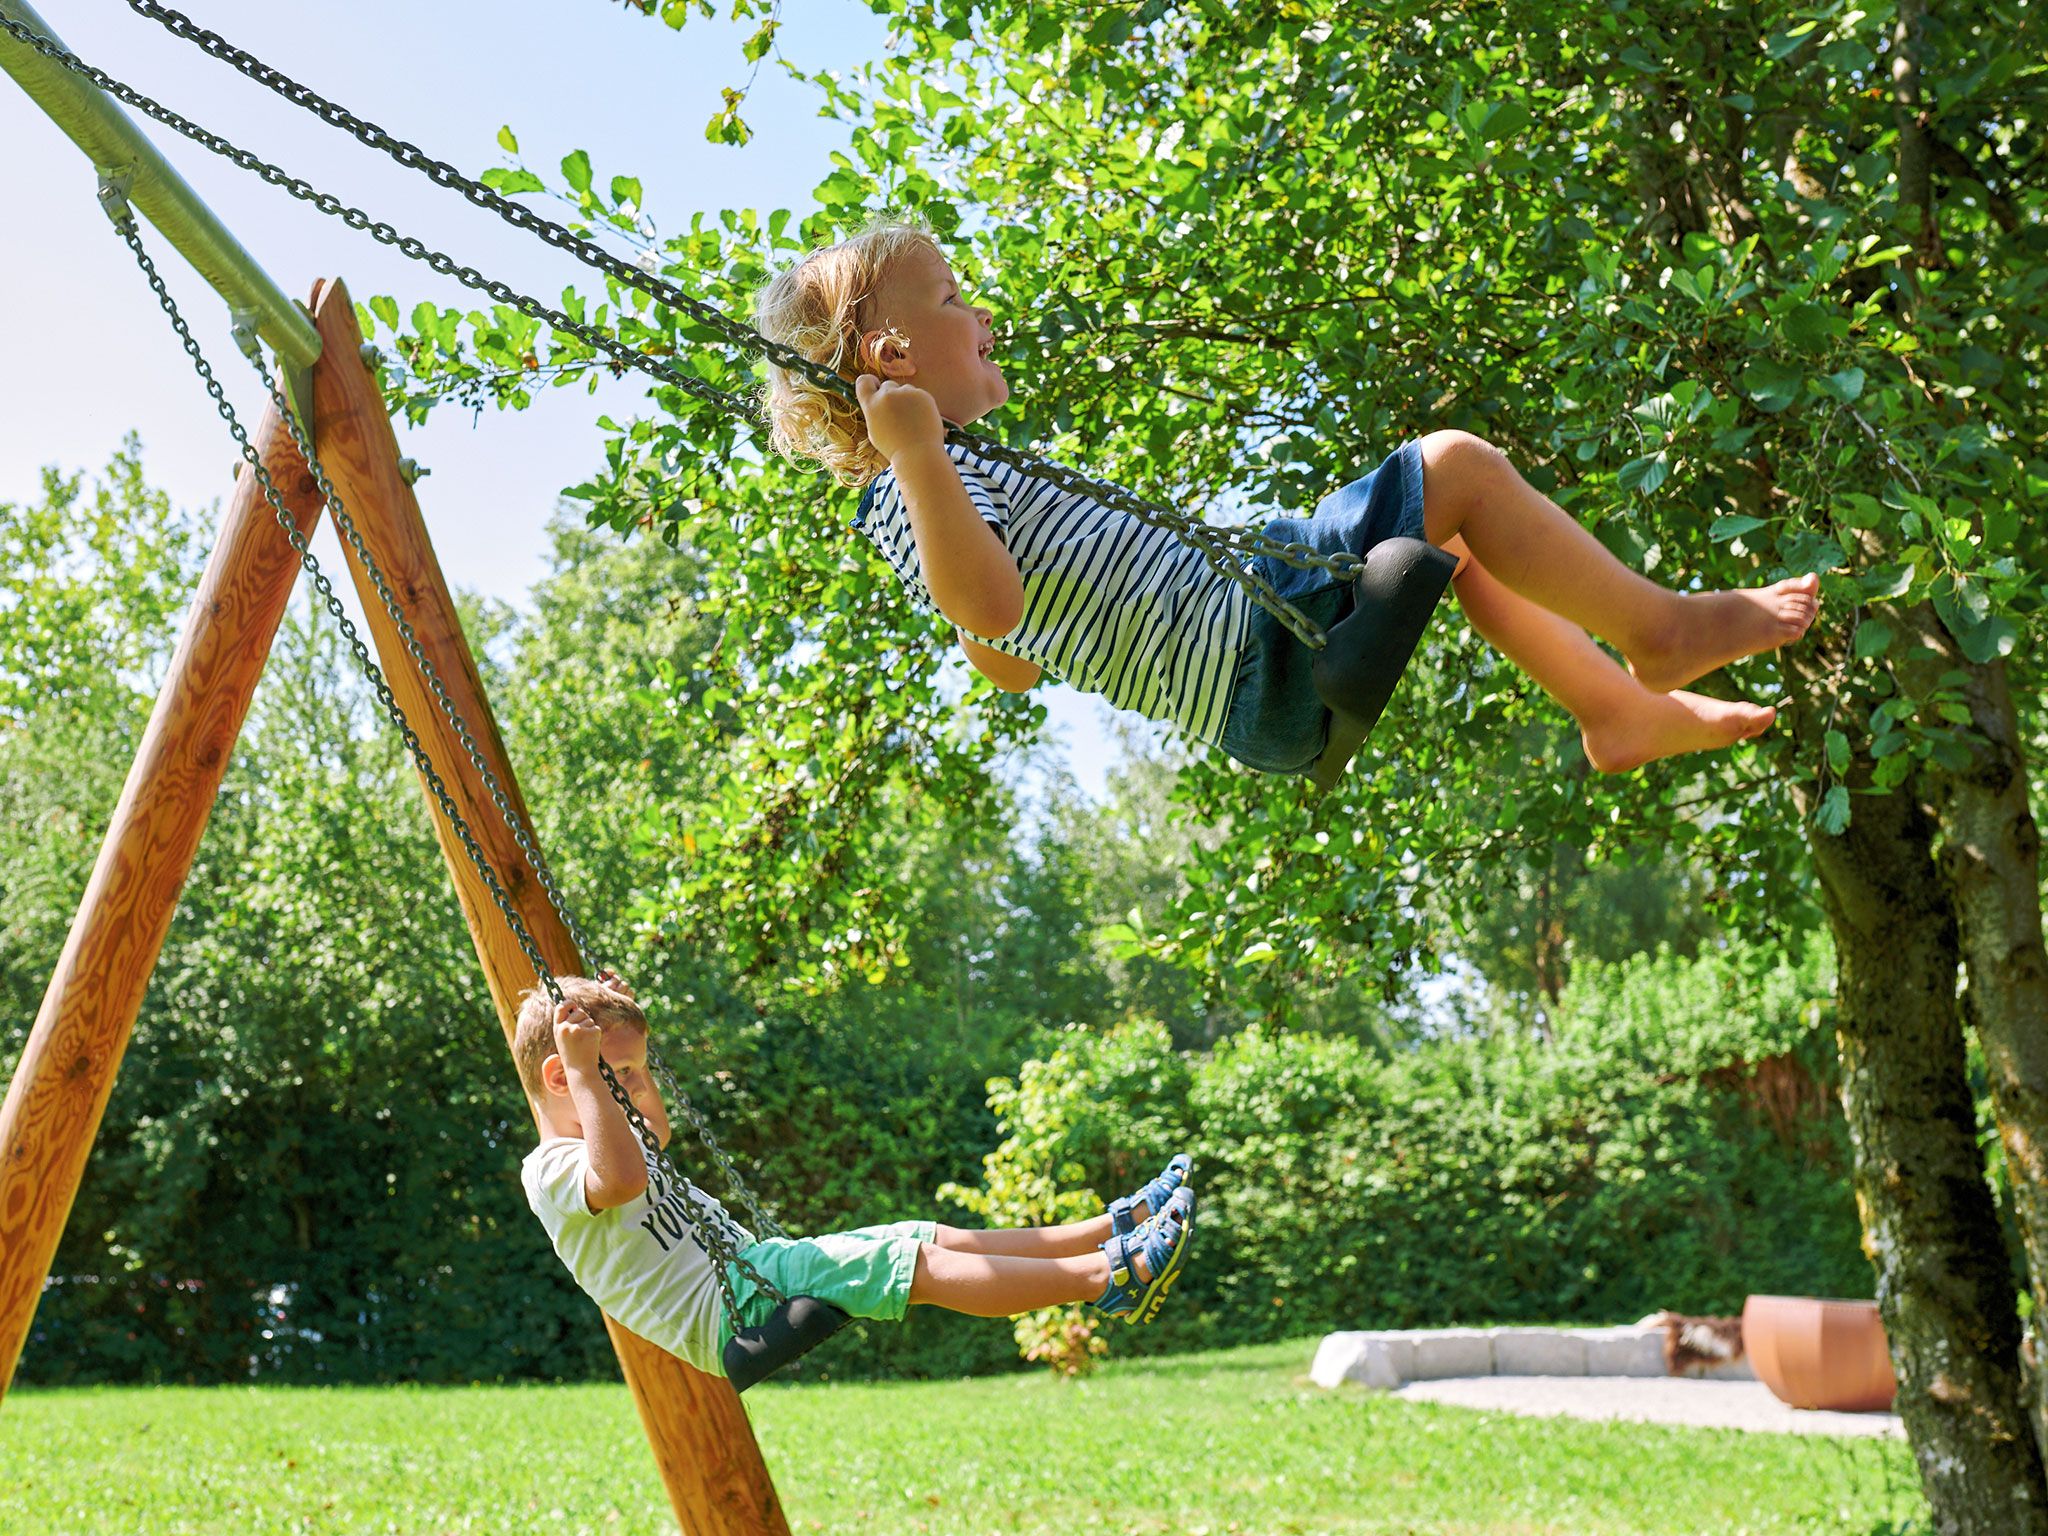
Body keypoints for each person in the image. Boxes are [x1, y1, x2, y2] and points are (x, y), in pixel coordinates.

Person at [750, 216, 1821, 777]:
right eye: (951, 298)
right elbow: (989, 610)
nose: (982, 314)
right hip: (1259, 641)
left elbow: (1010, 659)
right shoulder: (918, 482)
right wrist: (918, 456)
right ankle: (1660, 630)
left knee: (1463, 532)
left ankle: (1611, 711)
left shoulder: (954, 484)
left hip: (1257, 675)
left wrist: (942, 497)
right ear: (892, 354)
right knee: (1452, 465)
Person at [516, 972, 1196, 1378]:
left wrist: (617, 1050)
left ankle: (1110, 1228)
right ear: (562, 1078)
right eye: (625, 1075)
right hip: (726, 1312)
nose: (639, 1088)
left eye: (638, 1071)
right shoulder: (552, 1170)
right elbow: (623, 1180)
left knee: (926, 1236)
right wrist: (590, 1072)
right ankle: (1108, 1278)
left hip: (755, 1270)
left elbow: (654, 1135)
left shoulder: (614, 1127)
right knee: (912, 1264)